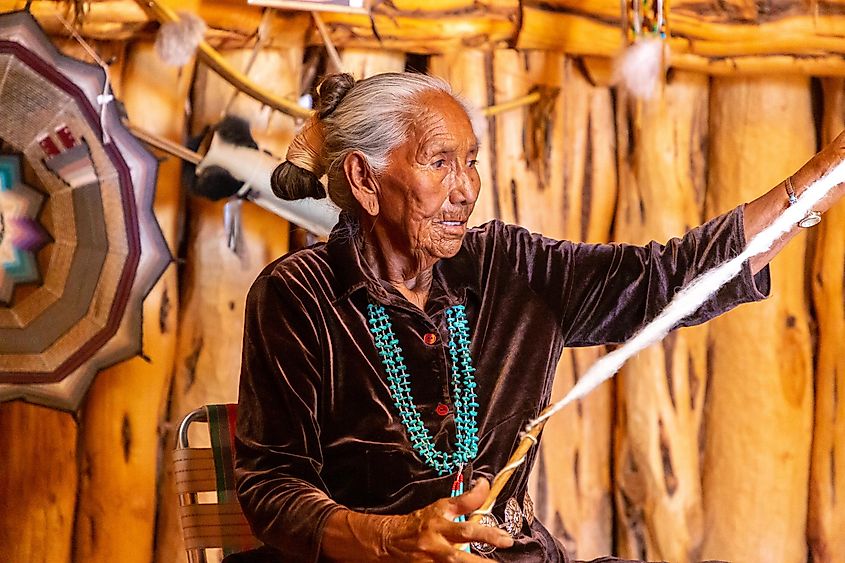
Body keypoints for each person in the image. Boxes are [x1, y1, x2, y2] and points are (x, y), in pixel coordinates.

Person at [233, 72, 845, 562]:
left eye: (471, 162)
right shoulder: (298, 296)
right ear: (365, 180)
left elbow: (668, 279)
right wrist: (393, 540)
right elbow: (271, 487)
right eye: (439, 162)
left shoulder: (508, 265)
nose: (465, 188)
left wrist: (825, 176)